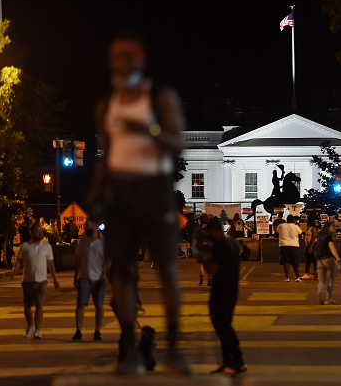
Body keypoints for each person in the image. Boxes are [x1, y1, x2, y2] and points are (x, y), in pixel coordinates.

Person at [88, 35, 188, 376]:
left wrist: (150, 129)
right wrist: (95, 193)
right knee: (120, 271)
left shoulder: (159, 96)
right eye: (115, 59)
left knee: (166, 268)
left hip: (153, 187)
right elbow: (105, 153)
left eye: (127, 59)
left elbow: (177, 144)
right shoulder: (107, 104)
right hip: (120, 190)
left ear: (139, 62)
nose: (120, 66)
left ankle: (174, 348)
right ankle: (128, 346)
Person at [196, 218, 246, 376]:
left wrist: (204, 259)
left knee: (222, 328)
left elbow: (215, 270)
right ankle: (238, 361)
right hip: (232, 289)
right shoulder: (232, 243)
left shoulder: (220, 246)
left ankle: (228, 363)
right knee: (227, 327)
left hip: (221, 290)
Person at [10, 222, 60, 339]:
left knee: (39, 305)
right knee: (27, 305)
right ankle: (30, 326)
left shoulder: (46, 247)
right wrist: (13, 272)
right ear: (31, 233)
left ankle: (38, 329)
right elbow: (19, 262)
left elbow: (51, 264)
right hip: (27, 280)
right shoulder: (25, 247)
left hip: (41, 281)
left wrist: (55, 279)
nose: (40, 233)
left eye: (41, 231)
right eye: (37, 231)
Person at [72, 217, 107, 341]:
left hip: (99, 278)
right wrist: (76, 275)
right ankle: (78, 330)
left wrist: (106, 277)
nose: (85, 228)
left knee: (99, 306)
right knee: (80, 305)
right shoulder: (83, 241)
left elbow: (107, 261)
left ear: (94, 225)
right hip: (85, 277)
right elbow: (78, 258)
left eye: (87, 225)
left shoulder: (103, 242)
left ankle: (97, 331)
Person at [313, 221, 341, 305]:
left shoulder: (319, 235)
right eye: (333, 226)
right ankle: (328, 299)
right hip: (329, 259)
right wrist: (337, 257)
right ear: (328, 227)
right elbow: (331, 247)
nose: (335, 228)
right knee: (330, 280)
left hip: (319, 260)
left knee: (321, 279)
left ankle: (320, 291)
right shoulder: (328, 237)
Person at [276, 215, 303, 282]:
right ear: (293, 220)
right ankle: (297, 277)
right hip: (294, 245)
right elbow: (300, 233)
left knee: (286, 261)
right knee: (295, 262)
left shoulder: (281, 226)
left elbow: (277, 231)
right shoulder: (296, 226)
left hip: (284, 245)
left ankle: (287, 277)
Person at [192, 213, 212, 286]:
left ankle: (201, 280)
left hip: (200, 248)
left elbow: (194, 239)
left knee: (200, 264)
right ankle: (210, 278)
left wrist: (193, 249)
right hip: (209, 248)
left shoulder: (198, 228)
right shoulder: (210, 227)